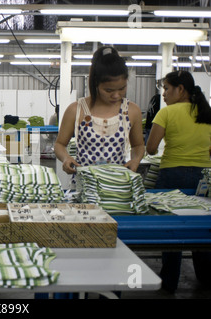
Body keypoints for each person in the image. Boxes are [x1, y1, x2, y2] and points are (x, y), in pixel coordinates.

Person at [146, 70, 211, 293]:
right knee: (202, 226)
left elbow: (151, 148)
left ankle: (169, 282)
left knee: (169, 228)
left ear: (180, 89)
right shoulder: (206, 113)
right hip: (204, 177)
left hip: (172, 174)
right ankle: (205, 278)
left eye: (166, 88)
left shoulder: (167, 113)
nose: (163, 94)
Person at [54, 46, 145, 179]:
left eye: (122, 89)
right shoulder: (76, 109)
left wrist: (136, 160)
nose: (116, 95)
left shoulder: (132, 111)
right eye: (108, 90)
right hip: (85, 185)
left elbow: (138, 145)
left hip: (117, 185)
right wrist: (66, 158)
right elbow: (59, 144)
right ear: (95, 83)